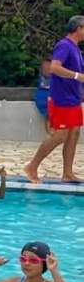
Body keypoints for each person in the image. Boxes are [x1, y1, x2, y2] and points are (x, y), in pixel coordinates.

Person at [25, 16, 84, 183]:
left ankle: (67, 173)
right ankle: (32, 166)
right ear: (78, 29)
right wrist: (77, 76)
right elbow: (54, 67)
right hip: (62, 99)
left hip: (73, 99)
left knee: (74, 133)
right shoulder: (64, 45)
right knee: (60, 135)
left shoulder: (76, 48)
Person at [34, 58, 52, 134]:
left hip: (49, 98)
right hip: (44, 99)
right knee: (49, 117)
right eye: (45, 68)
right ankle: (50, 134)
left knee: (50, 117)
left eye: (49, 68)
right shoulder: (43, 79)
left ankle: (52, 134)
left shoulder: (53, 78)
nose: (47, 70)